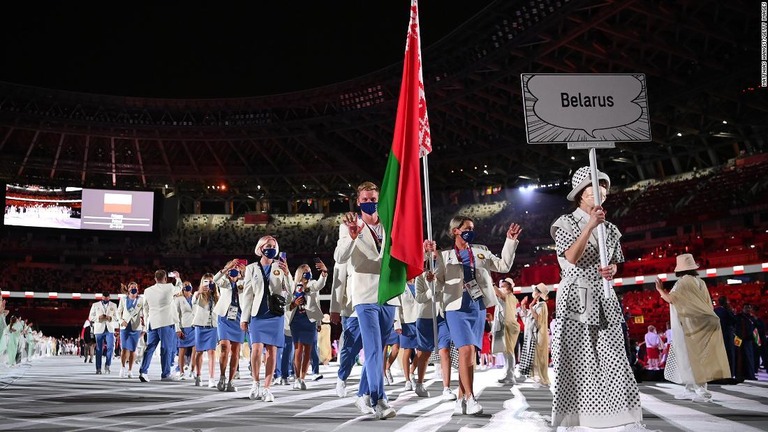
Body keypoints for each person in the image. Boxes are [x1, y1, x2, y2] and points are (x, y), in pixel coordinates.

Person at [549, 166, 642, 428]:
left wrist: (612, 269)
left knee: (613, 353)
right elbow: (571, 257)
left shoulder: (611, 229)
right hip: (576, 294)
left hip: (604, 294)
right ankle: (573, 417)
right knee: (576, 355)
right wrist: (590, 226)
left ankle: (618, 413)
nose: (599, 193)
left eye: (602, 189)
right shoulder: (565, 223)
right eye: (593, 190)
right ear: (580, 195)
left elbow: (615, 262)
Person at [424, 215, 522, 416]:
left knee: (469, 355)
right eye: (467, 228)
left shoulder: (481, 251)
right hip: (455, 307)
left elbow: (503, 266)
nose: (471, 231)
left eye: (472, 227)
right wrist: (431, 276)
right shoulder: (443, 255)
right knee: (466, 350)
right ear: (455, 231)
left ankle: (461, 397)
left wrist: (510, 241)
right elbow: (438, 284)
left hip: (477, 307)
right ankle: (470, 397)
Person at [334, 181, 397, 419]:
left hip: (388, 294)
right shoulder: (351, 225)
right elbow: (340, 257)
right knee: (372, 348)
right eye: (366, 200)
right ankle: (379, 399)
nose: (370, 203)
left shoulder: (389, 224)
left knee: (379, 350)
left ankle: (363, 394)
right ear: (358, 202)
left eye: (373, 199)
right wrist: (351, 236)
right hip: (364, 295)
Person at [655, 253, 730, 402]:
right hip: (702, 324)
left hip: (689, 327)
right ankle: (691, 389)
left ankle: (700, 391)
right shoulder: (700, 282)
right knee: (698, 357)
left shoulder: (683, 282)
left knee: (690, 358)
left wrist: (659, 289)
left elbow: (671, 299)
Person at [241, 236, 292, 403]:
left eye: (273, 246)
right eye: (267, 245)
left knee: (272, 352)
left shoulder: (280, 266)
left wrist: (287, 273)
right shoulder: (251, 268)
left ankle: (267, 388)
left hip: (275, 314)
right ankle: (255, 383)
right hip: (258, 314)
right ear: (260, 248)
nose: (270, 248)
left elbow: (289, 292)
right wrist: (244, 318)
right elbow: (248, 295)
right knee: (256, 350)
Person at [414, 270, 457, 402]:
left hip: (443, 316)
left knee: (445, 350)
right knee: (424, 353)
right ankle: (419, 383)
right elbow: (419, 298)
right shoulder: (419, 277)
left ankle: (446, 388)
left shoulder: (446, 275)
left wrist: (437, 283)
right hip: (425, 317)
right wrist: (431, 287)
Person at [287, 260, 328, 390]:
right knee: (298, 350)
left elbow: (320, 285)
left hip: (309, 320)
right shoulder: (292, 286)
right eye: (305, 272)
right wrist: (294, 303)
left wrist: (324, 272)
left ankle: (303, 378)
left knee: (308, 350)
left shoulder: (312, 284)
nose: (308, 274)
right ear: (299, 273)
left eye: (309, 271)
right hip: (296, 320)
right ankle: (297, 378)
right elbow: (286, 305)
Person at [138, 270, 183, 382]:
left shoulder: (147, 291)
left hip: (153, 322)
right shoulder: (169, 287)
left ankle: (143, 372)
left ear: (155, 279)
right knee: (166, 348)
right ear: (165, 278)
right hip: (166, 322)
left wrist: (147, 320)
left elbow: (145, 307)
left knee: (150, 347)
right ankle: (166, 373)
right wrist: (177, 277)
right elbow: (180, 288)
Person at [330, 261, 364, 398]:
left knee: (375, 349)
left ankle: (369, 390)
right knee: (351, 349)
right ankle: (342, 377)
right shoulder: (345, 251)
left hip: (375, 307)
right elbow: (338, 282)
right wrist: (335, 308)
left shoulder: (377, 247)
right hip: (352, 310)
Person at [213, 259, 247, 392]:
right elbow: (215, 279)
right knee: (224, 348)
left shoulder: (243, 283)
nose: (234, 273)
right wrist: (227, 269)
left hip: (238, 318)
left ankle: (231, 381)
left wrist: (244, 273)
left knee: (235, 352)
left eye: (236, 271)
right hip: (225, 317)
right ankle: (222, 376)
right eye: (232, 271)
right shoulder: (224, 283)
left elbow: (253, 284)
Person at [396, 278, 428, 396]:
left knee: (421, 350)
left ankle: (411, 371)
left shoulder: (420, 282)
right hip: (406, 321)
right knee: (407, 350)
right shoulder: (401, 285)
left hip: (420, 319)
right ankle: (407, 380)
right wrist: (397, 324)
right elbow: (397, 306)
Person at [192, 274, 219, 388]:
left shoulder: (217, 295)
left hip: (212, 326)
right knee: (199, 352)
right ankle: (198, 375)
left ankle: (211, 378)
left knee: (212, 352)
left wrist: (216, 291)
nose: (208, 284)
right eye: (206, 282)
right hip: (200, 325)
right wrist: (200, 291)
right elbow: (193, 301)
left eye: (211, 282)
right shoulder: (198, 294)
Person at [493, 277, 520, 384]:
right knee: (506, 351)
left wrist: (492, 285)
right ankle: (508, 373)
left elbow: (501, 295)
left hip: (509, 325)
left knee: (509, 351)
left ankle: (510, 375)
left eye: (503, 285)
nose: (501, 287)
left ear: (509, 286)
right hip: (504, 325)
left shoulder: (510, 296)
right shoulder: (506, 296)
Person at [116, 282, 145, 378]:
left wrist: (144, 328)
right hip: (125, 327)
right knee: (124, 348)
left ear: (138, 289)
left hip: (136, 327)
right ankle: (122, 367)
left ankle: (130, 370)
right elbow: (118, 312)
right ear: (128, 289)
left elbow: (145, 313)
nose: (133, 288)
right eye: (132, 287)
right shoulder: (123, 299)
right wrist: (121, 321)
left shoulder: (141, 299)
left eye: (135, 287)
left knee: (133, 350)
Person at [88, 292, 118, 374]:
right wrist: (98, 318)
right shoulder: (95, 305)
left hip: (110, 329)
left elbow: (117, 317)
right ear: (102, 297)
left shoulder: (113, 305)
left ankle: (107, 365)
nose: (106, 298)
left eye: (107, 297)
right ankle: (98, 368)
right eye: (104, 297)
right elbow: (90, 317)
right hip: (99, 329)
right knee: (99, 349)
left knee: (111, 348)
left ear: (109, 297)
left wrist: (110, 318)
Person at [529, 283, 551, 387]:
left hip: (540, 334)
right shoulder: (539, 304)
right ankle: (541, 378)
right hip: (537, 333)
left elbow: (537, 318)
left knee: (541, 357)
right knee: (538, 357)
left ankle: (544, 379)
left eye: (535, 291)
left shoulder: (543, 305)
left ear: (538, 293)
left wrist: (530, 307)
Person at [175, 280, 197, 380]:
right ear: (182, 288)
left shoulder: (195, 297)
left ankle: (193, 370)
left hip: (195, 326)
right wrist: (178, 329)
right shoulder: (178, 299)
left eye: (189, 285)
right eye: (185, 286)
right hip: (184, 327)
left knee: (195, 350)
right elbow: (176, 315)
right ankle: (181, 372)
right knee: (182, 350)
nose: (188, 287)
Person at [714, 296, 736, 379]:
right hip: (727, 335)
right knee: (729, 354)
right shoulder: (727, 311)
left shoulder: (715, 310)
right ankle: (730, 373)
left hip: (718, 335)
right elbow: (734, 321)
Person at [734, 304, 757, 381]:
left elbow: (755, 330)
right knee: (737, 355)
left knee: (749, 357)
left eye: (749, 308)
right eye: (746, 308)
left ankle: (749, 374)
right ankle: (738, 374)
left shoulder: (752, 319)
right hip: (738, 339)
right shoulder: (738, 317)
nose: (748, 309)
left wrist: (757, 342)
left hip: (748, 340)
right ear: (743, 308)